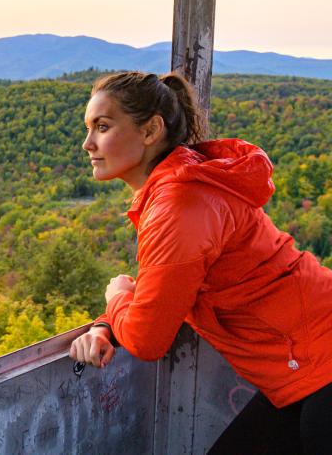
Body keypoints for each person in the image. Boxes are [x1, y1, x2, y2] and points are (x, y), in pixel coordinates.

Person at [67, 71, 332, 454]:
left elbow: (147, 338)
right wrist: (108, 322)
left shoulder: (180, 204)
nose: (87, 143)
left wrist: (117, 299)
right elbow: (168, 288)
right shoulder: (183, 185)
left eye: (102, 127)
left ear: (150, 130)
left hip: (318, 363)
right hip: (306, 368)